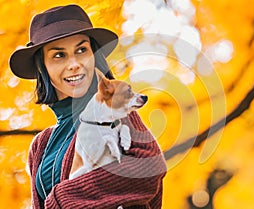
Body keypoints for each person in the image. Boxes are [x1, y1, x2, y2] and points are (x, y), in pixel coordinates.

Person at [9, 4, 166, 209]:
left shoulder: (114, 110)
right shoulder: (41, 145)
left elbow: (149, 168)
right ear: (42, 67)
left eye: (81, 50)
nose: (74, 63)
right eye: (59, 55)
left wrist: (62, 197)